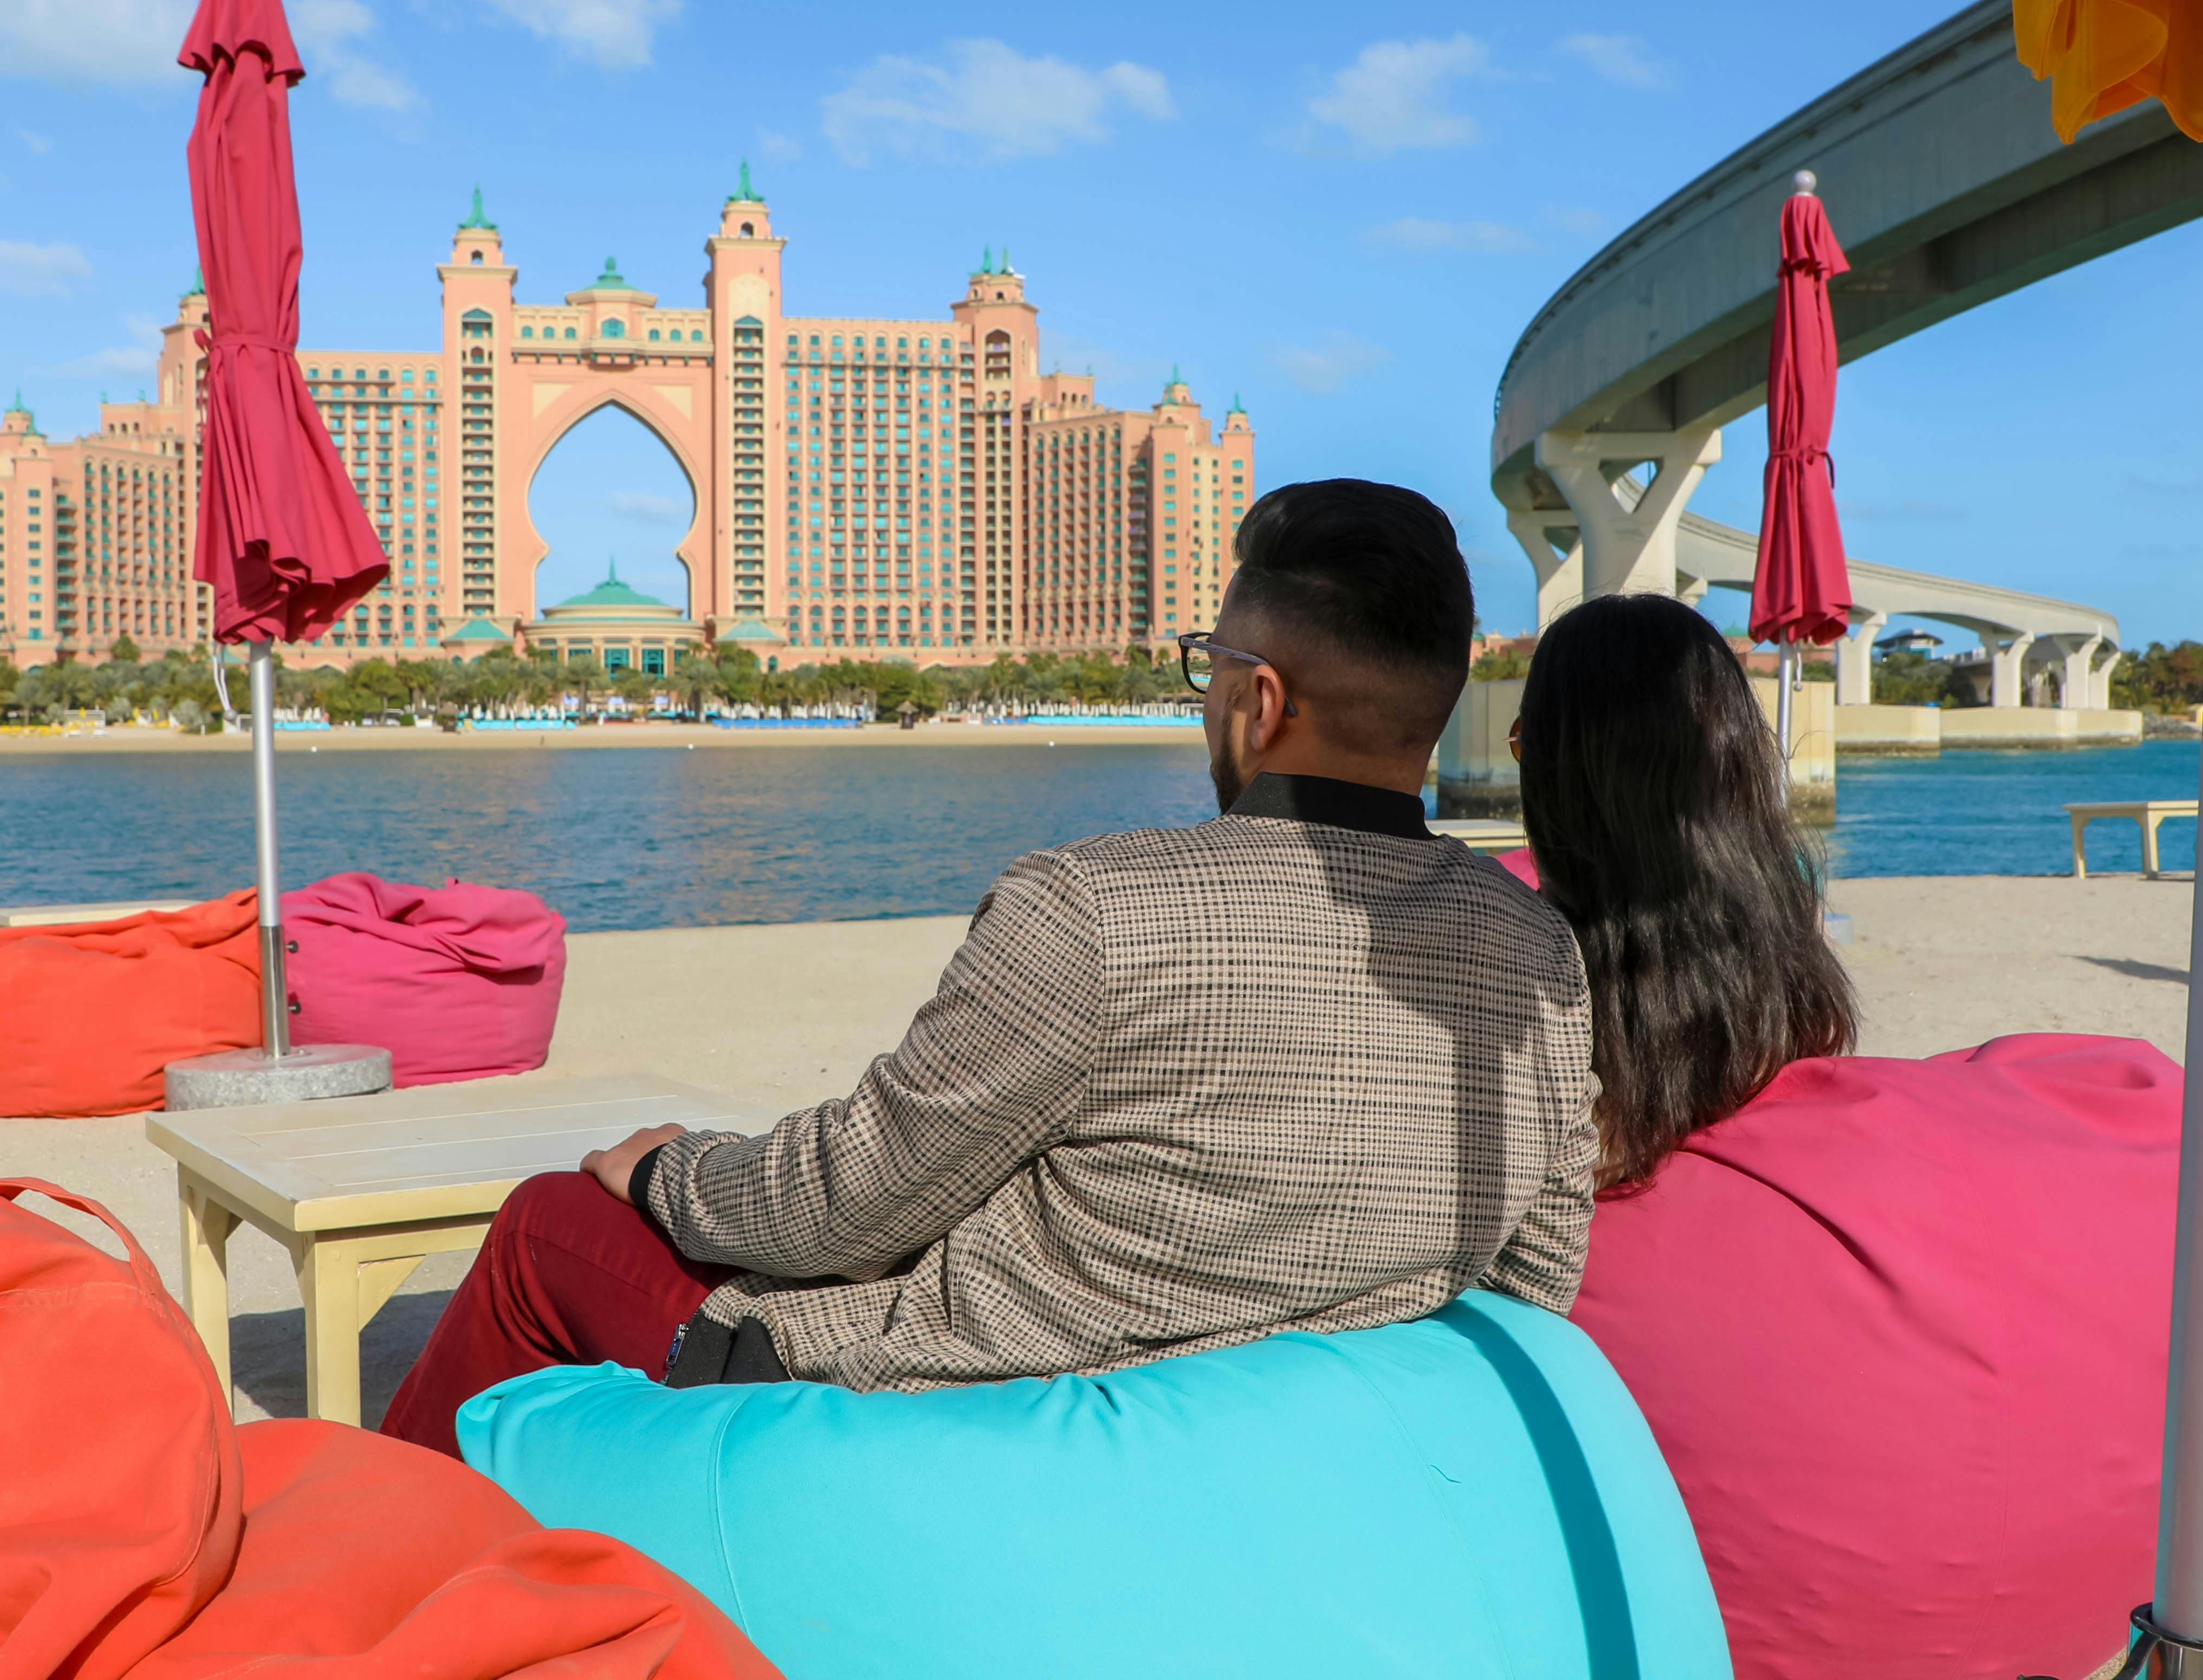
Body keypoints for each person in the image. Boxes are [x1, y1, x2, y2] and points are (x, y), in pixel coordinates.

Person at [375, 477, 1601, 1455]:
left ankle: (390, 1589)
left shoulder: (1094, 907)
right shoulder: (1538, 951)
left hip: (965, 1406)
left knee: (548, 1223)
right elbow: (1538, 1275)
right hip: (1287, 1421)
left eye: (1208, 666)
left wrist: (665, 1172)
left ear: (1259, 701)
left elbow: (847, 1208)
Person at [1506, 592, 1857, 1192]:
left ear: (1558, 774)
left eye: (1525, 743)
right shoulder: (1791, 957)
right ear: (1738, 758)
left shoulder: (1526, 977)